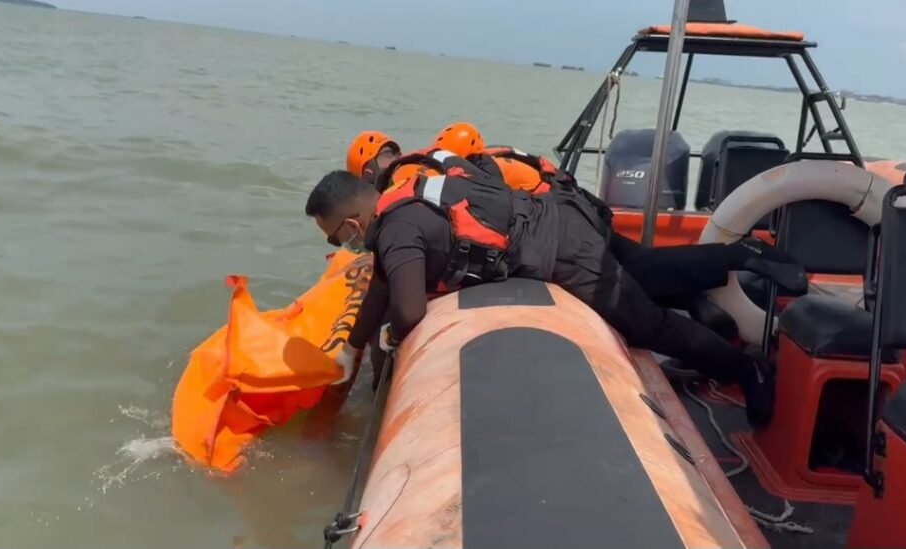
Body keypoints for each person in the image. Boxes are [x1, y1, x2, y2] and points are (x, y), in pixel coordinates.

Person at [304, 150, 779, 427]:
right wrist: (350, 346)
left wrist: (387, 341)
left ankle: (744, 367)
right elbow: (383, 290)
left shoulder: (396, 229)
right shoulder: (405, 200)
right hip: (560, 221)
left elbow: (407, 312)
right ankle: (737, 257)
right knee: (650, 274)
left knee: (646, 325)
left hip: (561, 249)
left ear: (350, 223)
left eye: (334, 236)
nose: (340, 244)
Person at [428, 122, 807, 306]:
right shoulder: (503, 159)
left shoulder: (488, 173)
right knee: (646, 269)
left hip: (576, 228)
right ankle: (707, 289)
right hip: (582, 217)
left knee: (643, 272)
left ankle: (742, 254)